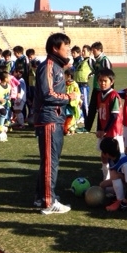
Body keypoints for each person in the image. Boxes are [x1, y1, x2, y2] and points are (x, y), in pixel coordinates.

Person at [32, 32, 79, 215]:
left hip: (54, 118)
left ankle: (41, 197)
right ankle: (48, 202)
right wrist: (69, 96)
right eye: (65, 46)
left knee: (49, 161)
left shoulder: (57, 67)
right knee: (51, 162)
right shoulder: (49, 67)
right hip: (49, 119)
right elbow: (47, 94)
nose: (68, 49)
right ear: (55, 48)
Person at [93, 68, 124, 181]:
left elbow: (114, 116)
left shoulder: (114, 96)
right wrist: (99, 129)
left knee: (115, 157)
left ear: (112, 81)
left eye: (105, 80)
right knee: (103, 156)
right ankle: (106, 178)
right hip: (105, 131)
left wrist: (104, 130)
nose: (102, 83)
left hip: (113, 132)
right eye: (100, 80)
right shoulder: (99, 95)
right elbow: (100, 115)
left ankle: (118, 179)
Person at [85, 42, 112, 132]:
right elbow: (96, 71)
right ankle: (87, 127)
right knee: (92, 108)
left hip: (103, 89)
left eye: (94, 51)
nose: (93, 52)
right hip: (96, 87)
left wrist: (108, 90)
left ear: (100, 50)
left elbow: (109, 74)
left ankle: (101, 127)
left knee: (102, 109)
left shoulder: (105, 60)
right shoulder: (96, 60)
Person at [74, 45, 93, 129]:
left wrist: (90, 75)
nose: (82, 52)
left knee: (85, 105)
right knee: (79, 104)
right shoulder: (82, 61)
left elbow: (96, 69)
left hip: (84, 86)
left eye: (84, 51)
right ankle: (80, 121)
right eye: (82, 51)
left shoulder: (90, 61)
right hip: (78, 85)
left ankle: (87, 125)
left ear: (89, 52)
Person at [63, 69, 81, 135]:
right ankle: (67, 129)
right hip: (66, 102)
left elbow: (77, 94)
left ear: (69, 76)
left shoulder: (75, 85)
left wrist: (78, 101)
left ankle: (71, 129)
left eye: (65, 75)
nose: (64, 77)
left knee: (71, 116)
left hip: (72, 104)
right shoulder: (65, 84)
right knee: (66, 115)